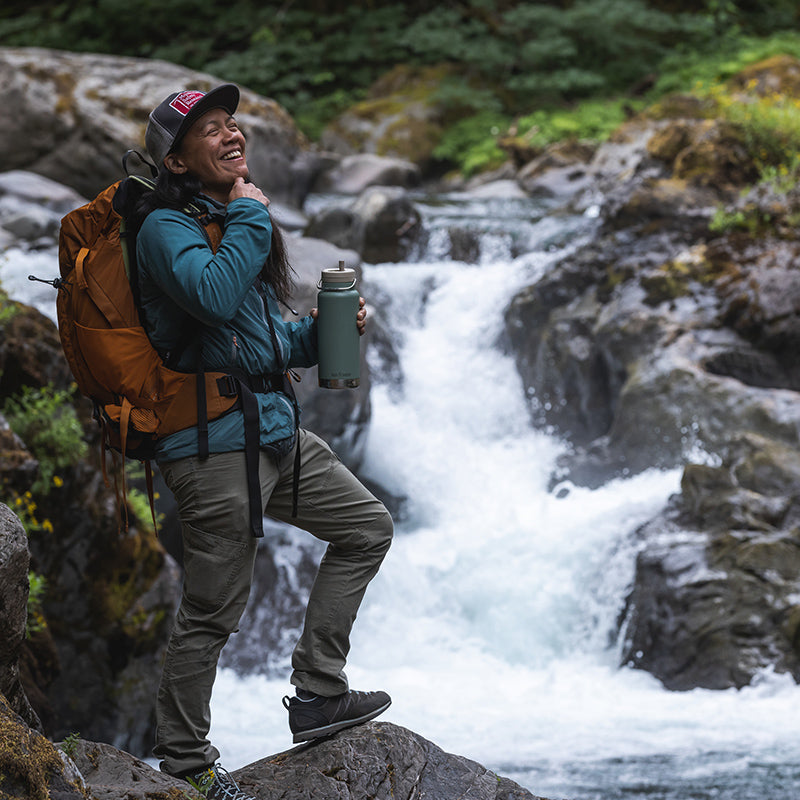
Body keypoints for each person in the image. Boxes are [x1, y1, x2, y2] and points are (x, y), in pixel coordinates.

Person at [136, 84, 393, 799]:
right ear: (178, 160)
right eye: (210, 130)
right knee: (213, 613)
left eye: (232, 124)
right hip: (212, 447)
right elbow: (212, 297)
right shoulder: (165, 229)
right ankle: (185, 766)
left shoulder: (226, 220)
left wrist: (323, 333)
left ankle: (316, 691)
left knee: (367, 527)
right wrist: (253, 216)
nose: (231, 136)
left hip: (275, 435)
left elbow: (257, 337)